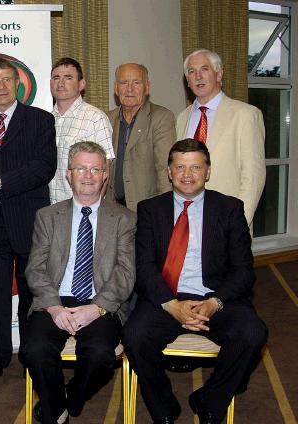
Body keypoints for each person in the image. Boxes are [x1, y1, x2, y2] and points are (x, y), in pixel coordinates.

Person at [122, 139, 268, 424]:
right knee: (135, 336)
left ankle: (210, 399)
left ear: (208, 171)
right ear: (169, 172)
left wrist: (214, 303)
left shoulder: (229, 208)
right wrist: (171, 305)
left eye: (195, 167)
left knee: (253, 333)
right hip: (167, 296)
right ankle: (164, 408)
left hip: (215, 296)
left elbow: (243, 270)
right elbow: (143, 266)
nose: (187, 174)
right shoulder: (150, 209)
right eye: (180, 167)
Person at [22, 141, 136, 424]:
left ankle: (67, 399)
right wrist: (55, 308)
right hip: (55, 301)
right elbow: (35, 269)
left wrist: (96, 308)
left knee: (100, 355)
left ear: (105, 175)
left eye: (95, 169)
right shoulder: (47, 216)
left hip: (101, 302)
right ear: (68, 174)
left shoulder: (125, 218)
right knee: (34, 350)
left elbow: (125, 272)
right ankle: (58, 412)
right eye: (81, 168)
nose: (88, 175)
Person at [0, 57, 57, 378]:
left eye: (6, 80)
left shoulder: (41, 120)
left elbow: (44, 168)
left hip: (29, 222)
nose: (0, 86)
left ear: (17, 83)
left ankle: (33, 355)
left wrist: (0, 181)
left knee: (32, 294)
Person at [176, 49, 265, 226]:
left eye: (204, 69)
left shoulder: (245, 115)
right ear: (187, 80)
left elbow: (253, 177)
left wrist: (238, 224)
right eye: (192, 72)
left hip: (227, 221)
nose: (198, 76)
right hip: (186, 222)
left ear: (219, 74)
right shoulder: (181, 118)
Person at [107, 63, 176, 211]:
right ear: (116, 88)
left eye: (136, 83)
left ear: (147, 87)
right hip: (112, 211)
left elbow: (165, 170)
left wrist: (164, 214)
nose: (129, 89)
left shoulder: (161, 118)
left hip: (147, 211)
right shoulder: (106, 119)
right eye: (124, 82)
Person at [49, 57, 114, 204]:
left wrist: (90, 211)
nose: (61, 83)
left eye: (68, 78)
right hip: (50, 211)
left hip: (81, 209)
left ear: (81, 84)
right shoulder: (45, 120)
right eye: (56, 78)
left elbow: (105, 170)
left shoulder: (95, 118)